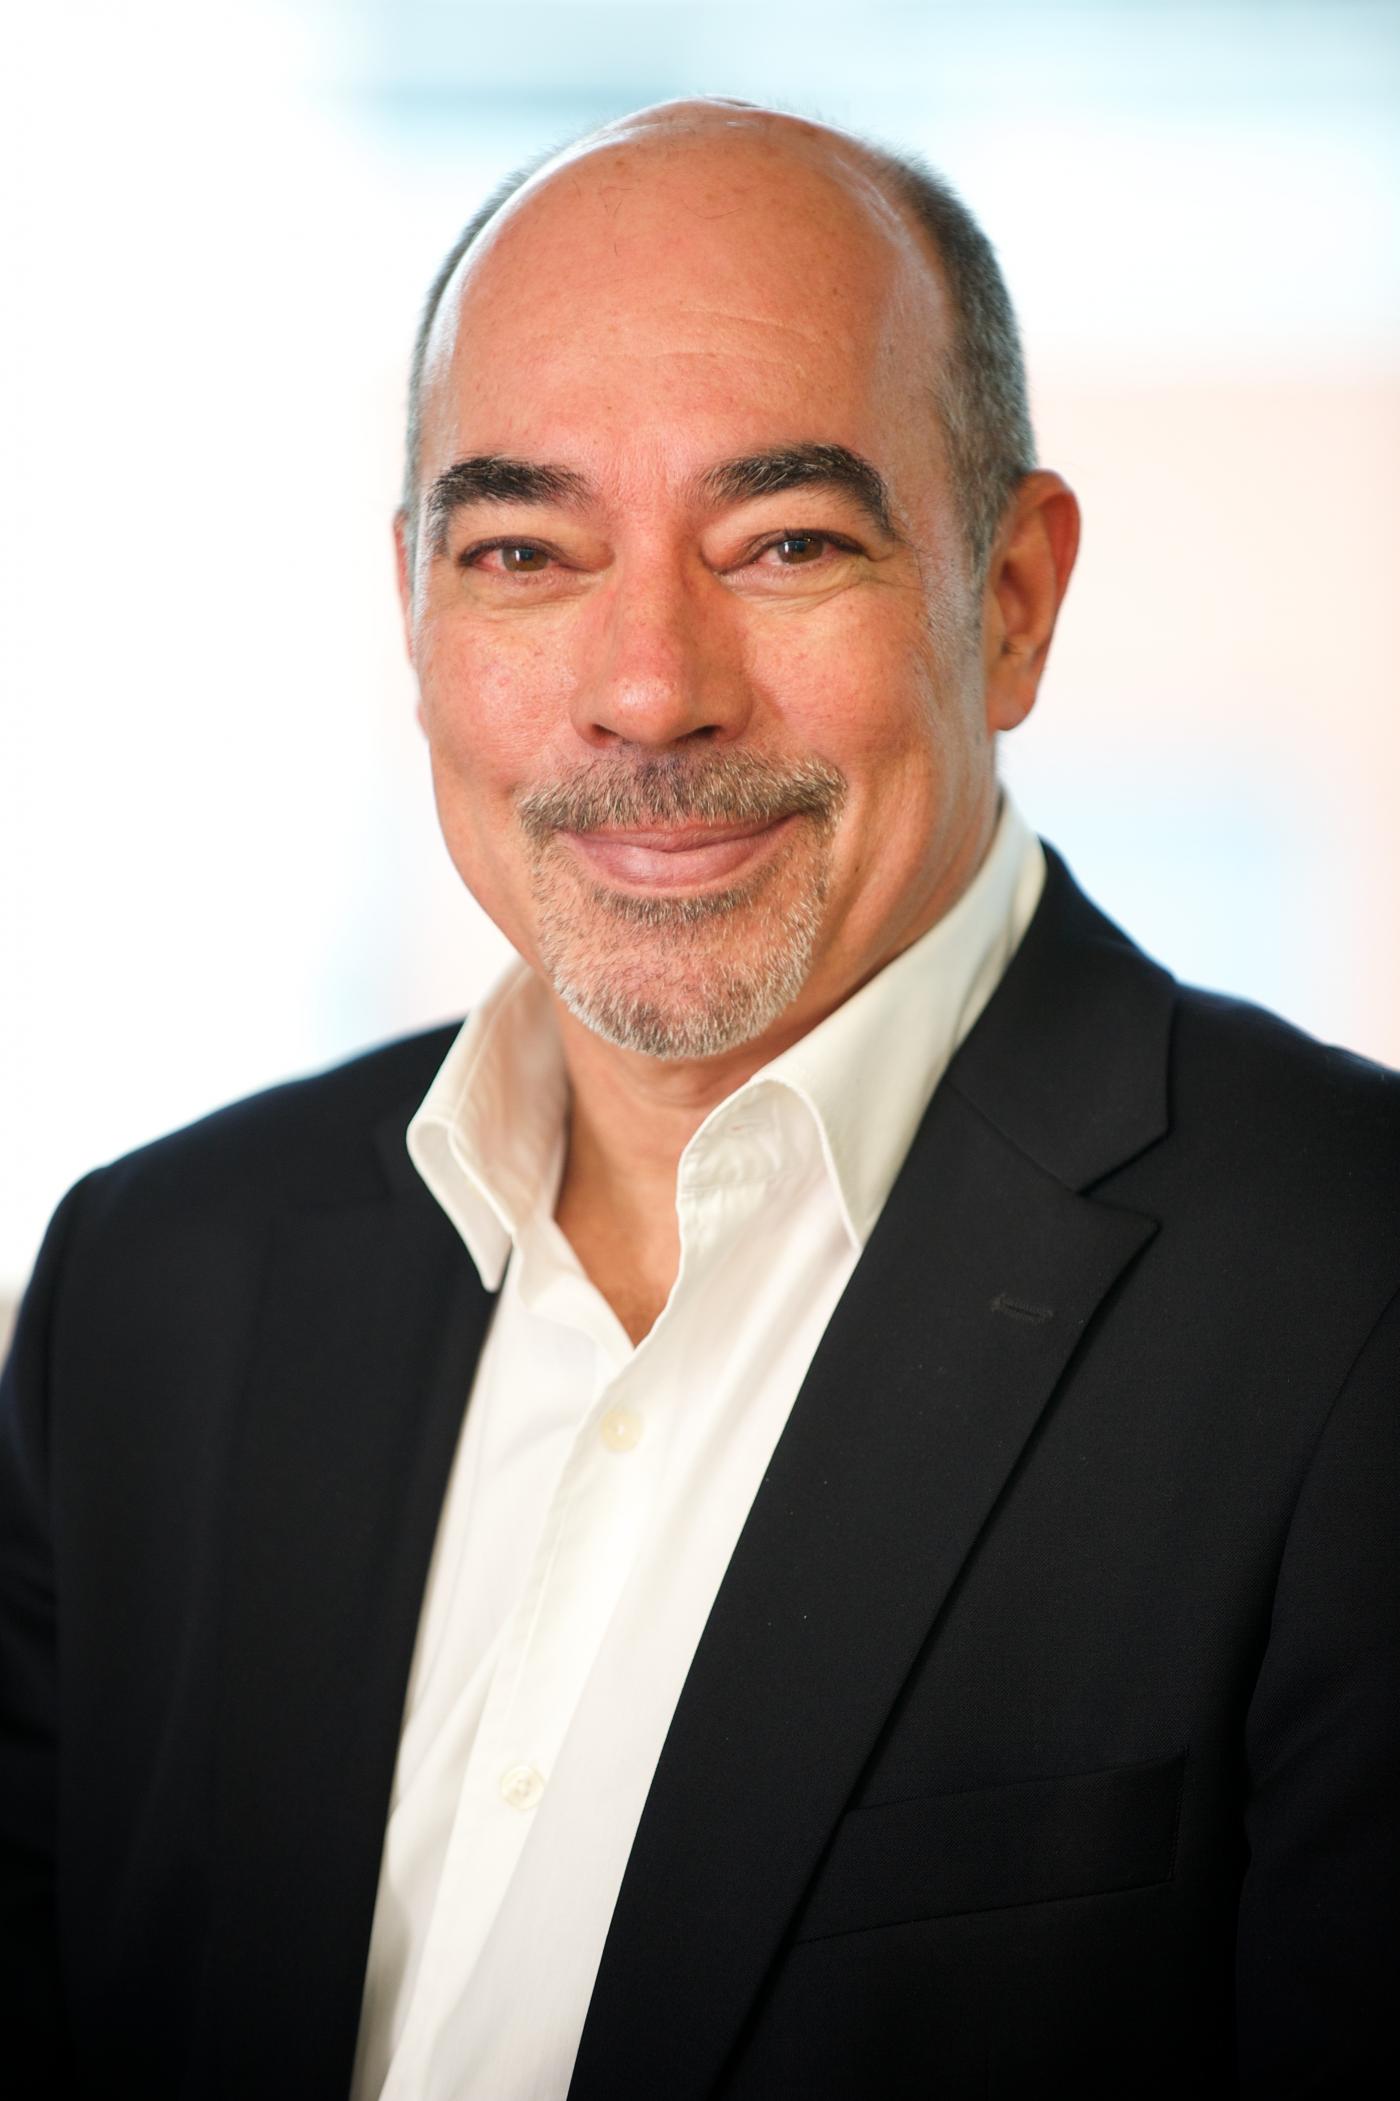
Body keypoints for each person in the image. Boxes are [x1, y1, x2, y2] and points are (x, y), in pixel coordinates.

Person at [1, 97, 1395, 2101]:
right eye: (524, 552)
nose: (648, 687)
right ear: (413, 610)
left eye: (787, 543)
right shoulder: (154, 1292)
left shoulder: (1350, 1296)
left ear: (1009, 599)